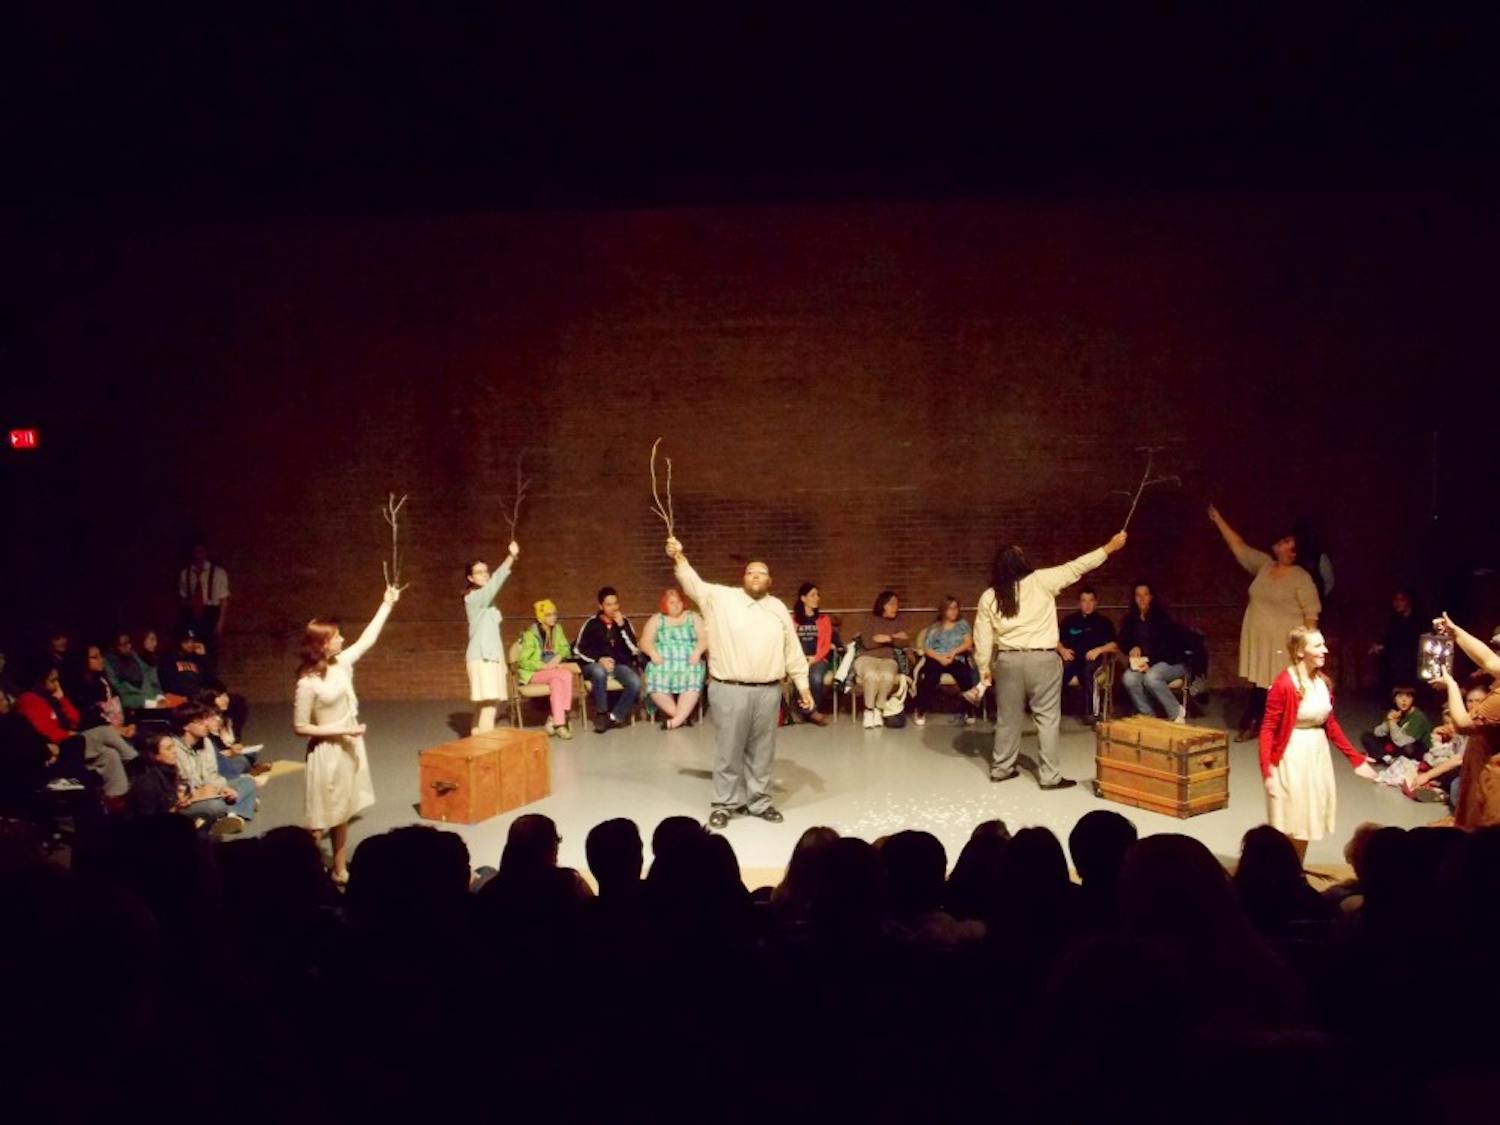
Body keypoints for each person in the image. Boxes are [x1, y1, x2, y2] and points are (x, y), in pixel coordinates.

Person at [666, 535, 812, 828]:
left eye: (762, 572)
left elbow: (792, 650)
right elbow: (692, 584)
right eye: (750, 572)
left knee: (763, 751)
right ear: (743, 578)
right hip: (729, 689)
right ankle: (724, 804)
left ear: (770, 580)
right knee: (728, 751)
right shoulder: (721, 599)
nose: (756, 576)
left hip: (768, 691)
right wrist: (678, 557)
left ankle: (760, 802)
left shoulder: (778, 608)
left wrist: (803, 686)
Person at [974, 530, 1129, 789]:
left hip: (1008, 662)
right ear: (1021, 562)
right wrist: (1109, 547)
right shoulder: (1041, 580)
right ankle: (1049, 777)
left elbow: (982, 636)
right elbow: (1078, 566)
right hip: (1043, 661)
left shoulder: (990, 596)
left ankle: (1001, 768)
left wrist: (983, 668)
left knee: (1007, 718)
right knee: (1047, 719)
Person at [294, 584, 401, 884]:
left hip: (347, 746)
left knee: (342, 812)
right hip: (326, 750)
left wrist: (387, 604)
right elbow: (300, 726)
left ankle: (339, 869)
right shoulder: (308, 682)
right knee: (319, 819)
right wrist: (344, 729)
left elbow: (368, 639)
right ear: (323, 643)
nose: (342, 639)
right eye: (337, 636)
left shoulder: (341, 664)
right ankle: (307, 874)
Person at [1259, 626, 1377, 861]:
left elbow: (1330, 724)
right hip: (1293, 755)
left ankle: (1296, 869)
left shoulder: (1322, 682)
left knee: (1307, 819)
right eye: (1318, 646)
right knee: (1291, 819)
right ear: (1300, 652)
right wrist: (1267, 771)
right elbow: (1268, 729)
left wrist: (1355, 759)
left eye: (1323, 644)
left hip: (1316, 754)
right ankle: (1283, 870)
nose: (1325, 650)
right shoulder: (1284, 684)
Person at [1208, 505, 1321, 741]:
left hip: (1284, 643)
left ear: (1294, 552)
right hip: (1262, 641)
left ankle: (1266, 722)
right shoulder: (1265, 565)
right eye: (1284, 540)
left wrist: (1308, 648)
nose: (1283, 543)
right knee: (1262, 682)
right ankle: (1257, 721)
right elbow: (1239, 547)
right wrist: (1218, 519)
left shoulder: (1301, 577)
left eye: (1288, 542)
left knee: (1279, 685)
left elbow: (1311, 614)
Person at [15, 667, 136, 802]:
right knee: (105, 731)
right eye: (52, 680)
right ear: (40, 681)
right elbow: (42, 731)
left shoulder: (52, 698)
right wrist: (67, 734)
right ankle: (134, 760)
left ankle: (116, 800)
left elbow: (75, 721)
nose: (57, 684)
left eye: (57, 680)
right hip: (59, 746)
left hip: (74, 742)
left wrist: (62, 699)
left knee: (110, 754)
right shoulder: (29, 700)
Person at [1431, 613, 1500, 830]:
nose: (1497, 654)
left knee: (1484, 833)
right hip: (1481, 768)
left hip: (1492, 780)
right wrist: (1455, 632)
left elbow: (1462, 723)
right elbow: (1488, 660)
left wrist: (1451, 686)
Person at [173, 702, 258, 836]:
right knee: (216, 806)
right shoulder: (175, 749)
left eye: (205, 719)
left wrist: (222, 788)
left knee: (248, 781)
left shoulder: (206, 742)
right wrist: (207, 791)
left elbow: (212, 774)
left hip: (211, 790)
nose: (206, 724)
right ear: (186, 726)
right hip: (191, 798)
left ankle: (231, 815)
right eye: (200, 721)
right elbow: (183, 784)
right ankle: (237, 809)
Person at [463, 541, 520, 734]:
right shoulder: (474, 597)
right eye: (479, 572)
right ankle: (486, 746)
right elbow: (495, 583)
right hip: (482, 657)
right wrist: (511, 557)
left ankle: (476, 739)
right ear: (470, 578)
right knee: (489, 705)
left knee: (486, 703)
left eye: (486, 570)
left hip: (490, 656)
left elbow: (493, 637)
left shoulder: (487, 601)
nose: (485, 574)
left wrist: (501, 662)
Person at [1117, 581, 1190, 723]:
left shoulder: (1161, 618)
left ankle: (1176, 711)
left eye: (1145, 595)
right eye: (1138, 595)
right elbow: (1122, 640)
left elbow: (1167, 647)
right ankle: (1148, 715)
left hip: (1171, 661)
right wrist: (1132, 647)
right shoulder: (1130, 619)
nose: (1142, 599)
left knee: (1152, 677)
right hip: (1145, 663)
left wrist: (1150, 663)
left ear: (1151, 597)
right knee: (1128, 678)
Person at [574, 587, 643, 733]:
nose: (613, 608)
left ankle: (613, 717)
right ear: (601, 606)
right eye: (609, 604)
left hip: (619, 664)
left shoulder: (624, 622)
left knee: (635, 682)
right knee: (599, 672)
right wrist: (599, 659)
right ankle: (602, 713)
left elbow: (634, 649)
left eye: (615, 603)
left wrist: (622, 627)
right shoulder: (591, 624)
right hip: (595, 664)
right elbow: (577, 650)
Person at [639, 587, 706, 729]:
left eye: (679, 602)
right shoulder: (657, 619)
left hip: (689, 662)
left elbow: (704, 638)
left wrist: (697, 652)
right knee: (655, 678)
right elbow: (644, 641)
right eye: (672, 602)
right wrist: (653, 653)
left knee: (692, 675)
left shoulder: (693, 617)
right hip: (662, 663)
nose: (676, 605)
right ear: (665, 604)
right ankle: (682, 717)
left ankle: (674, 722)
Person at [1057, 587, 1119, 726]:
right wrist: (1062, 650)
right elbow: (1056, 640)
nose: (1087, 604)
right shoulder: (1069, 621)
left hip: (1095, 661)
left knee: (1087, 671)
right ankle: (1053, 710)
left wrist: (1099, 650)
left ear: (1096, 602)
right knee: (1058, 671)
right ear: (1079, 603)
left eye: (1091, 600)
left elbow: (1114, 645)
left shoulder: (1104, 622)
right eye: (1084, 600)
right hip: (1073, 658)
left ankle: (1091, 712)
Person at [514, 599, 576, 739]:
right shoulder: (530, 634)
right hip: (534, 673)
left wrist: (558, 657)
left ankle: (557, 722)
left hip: (552, 671)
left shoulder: (557, 630)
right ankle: (564, 713)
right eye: (548, 615)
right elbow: (523, 661)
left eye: (554, 614)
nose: (553, 617)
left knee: (557, 682)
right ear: (540, 617)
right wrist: (544, 666)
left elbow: (566, 649)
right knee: (566, 675)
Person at [913, 595, 978, 727]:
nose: (954, 611)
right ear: (943, 610)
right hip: (936, 658)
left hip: (955, 657)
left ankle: (969, 709)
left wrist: (953, 652)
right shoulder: (935, 627)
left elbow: (968, 642)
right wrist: (940, 658)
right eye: (950, 609)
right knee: (931, 677)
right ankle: (920, 709)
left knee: (964, 675)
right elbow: (927, 648)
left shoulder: (962, 625)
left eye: (955, 608)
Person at [855, 590, 912, 729]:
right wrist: (894, 638)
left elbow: (905, 642)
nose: (895, 607)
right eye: (892, 604)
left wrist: (886, 638)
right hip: (866, 658)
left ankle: (878, 709)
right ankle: (868, 710)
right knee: (871, 675)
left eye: (897, 604)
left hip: (888, 659)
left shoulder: (898, 622)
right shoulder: (869, 619)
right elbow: (868, 643)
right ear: (882, 605)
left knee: (887, 676)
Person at [177, 542, 230, 675]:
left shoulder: (218, 573)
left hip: (210, 613)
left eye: (201, 552)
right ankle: (195, 674)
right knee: (193, 646)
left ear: (206, 553)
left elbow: (223, 600)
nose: (198, 556)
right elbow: (183, 597)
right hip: (193, 613)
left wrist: (220, 622)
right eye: (196, 552)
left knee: (210, 647)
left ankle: (210, 674)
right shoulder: (186, 573)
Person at [790, 583, 833, 724]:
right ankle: (810, 712)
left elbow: (826, 645)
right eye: (812, 595)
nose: (817, 598)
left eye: (817, 595)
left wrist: (814, 658)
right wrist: (801, 659)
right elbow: (790, 643)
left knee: (815, 677)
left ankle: (810, 710)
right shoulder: (793, 620)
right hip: (798, 659)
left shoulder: (824, 619)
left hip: (818, 658)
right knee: (799, 676)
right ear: (803, 598)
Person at [1360, 685, 1433, 766]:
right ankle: (1388, 758)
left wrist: (1392, 723)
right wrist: (1388, 723)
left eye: (1408, 697)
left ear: (1413, 699)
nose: (1404, 700)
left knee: (1408, 749)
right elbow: (1377, 733)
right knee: (1366, 736)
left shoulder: (1418, 717)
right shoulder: (1395, 712)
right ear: (1394, 700)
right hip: (1397, 744)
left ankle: (1383, 756)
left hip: (1416, 748)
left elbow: (1402, 742)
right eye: (1400, 696)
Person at [1370, 589, 1422, 698]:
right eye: (1395, 600)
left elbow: (1410, 643)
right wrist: (1380, 647)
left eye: (1401, 600)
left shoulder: (1417, 621)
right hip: (1395, 661)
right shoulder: (1394, 620)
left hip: (1411, 662)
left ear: (1408, 601)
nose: (1397, 603)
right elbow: (1389, 640)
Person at [104, 631, 165, 711]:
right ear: (115, 646)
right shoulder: (110, 663)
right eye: (124, 644)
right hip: (136, 706)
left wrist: (160, 697)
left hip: (153, 700)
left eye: (129, 642)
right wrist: (149, 703)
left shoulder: (133, 655)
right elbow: (120, 693)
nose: (129, 646)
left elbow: (151, 678)